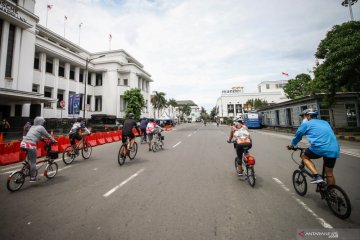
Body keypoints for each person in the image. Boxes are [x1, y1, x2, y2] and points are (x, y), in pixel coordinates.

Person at [287, 109, 340, 185]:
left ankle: (316, 176)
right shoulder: (325, 122)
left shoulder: (306, 124)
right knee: (329, 173)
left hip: (319, 148)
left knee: (304, 156)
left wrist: (292, 145)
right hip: (334, 148)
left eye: (303, 116)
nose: (303, 118)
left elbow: (298, 136)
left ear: (308, 116)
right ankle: (331, 193)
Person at [21, 117, 57, 182]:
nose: (43, 123)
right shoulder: (41, 127)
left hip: (23, 144)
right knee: (33, 162)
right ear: (41, 122)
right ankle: (32, 178)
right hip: (31, 145)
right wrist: (54, 140)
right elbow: (48, 135)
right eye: (43, 122)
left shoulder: (32, 127)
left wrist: (43, 140)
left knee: (29, 156)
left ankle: (26, 163)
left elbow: (37, 135)